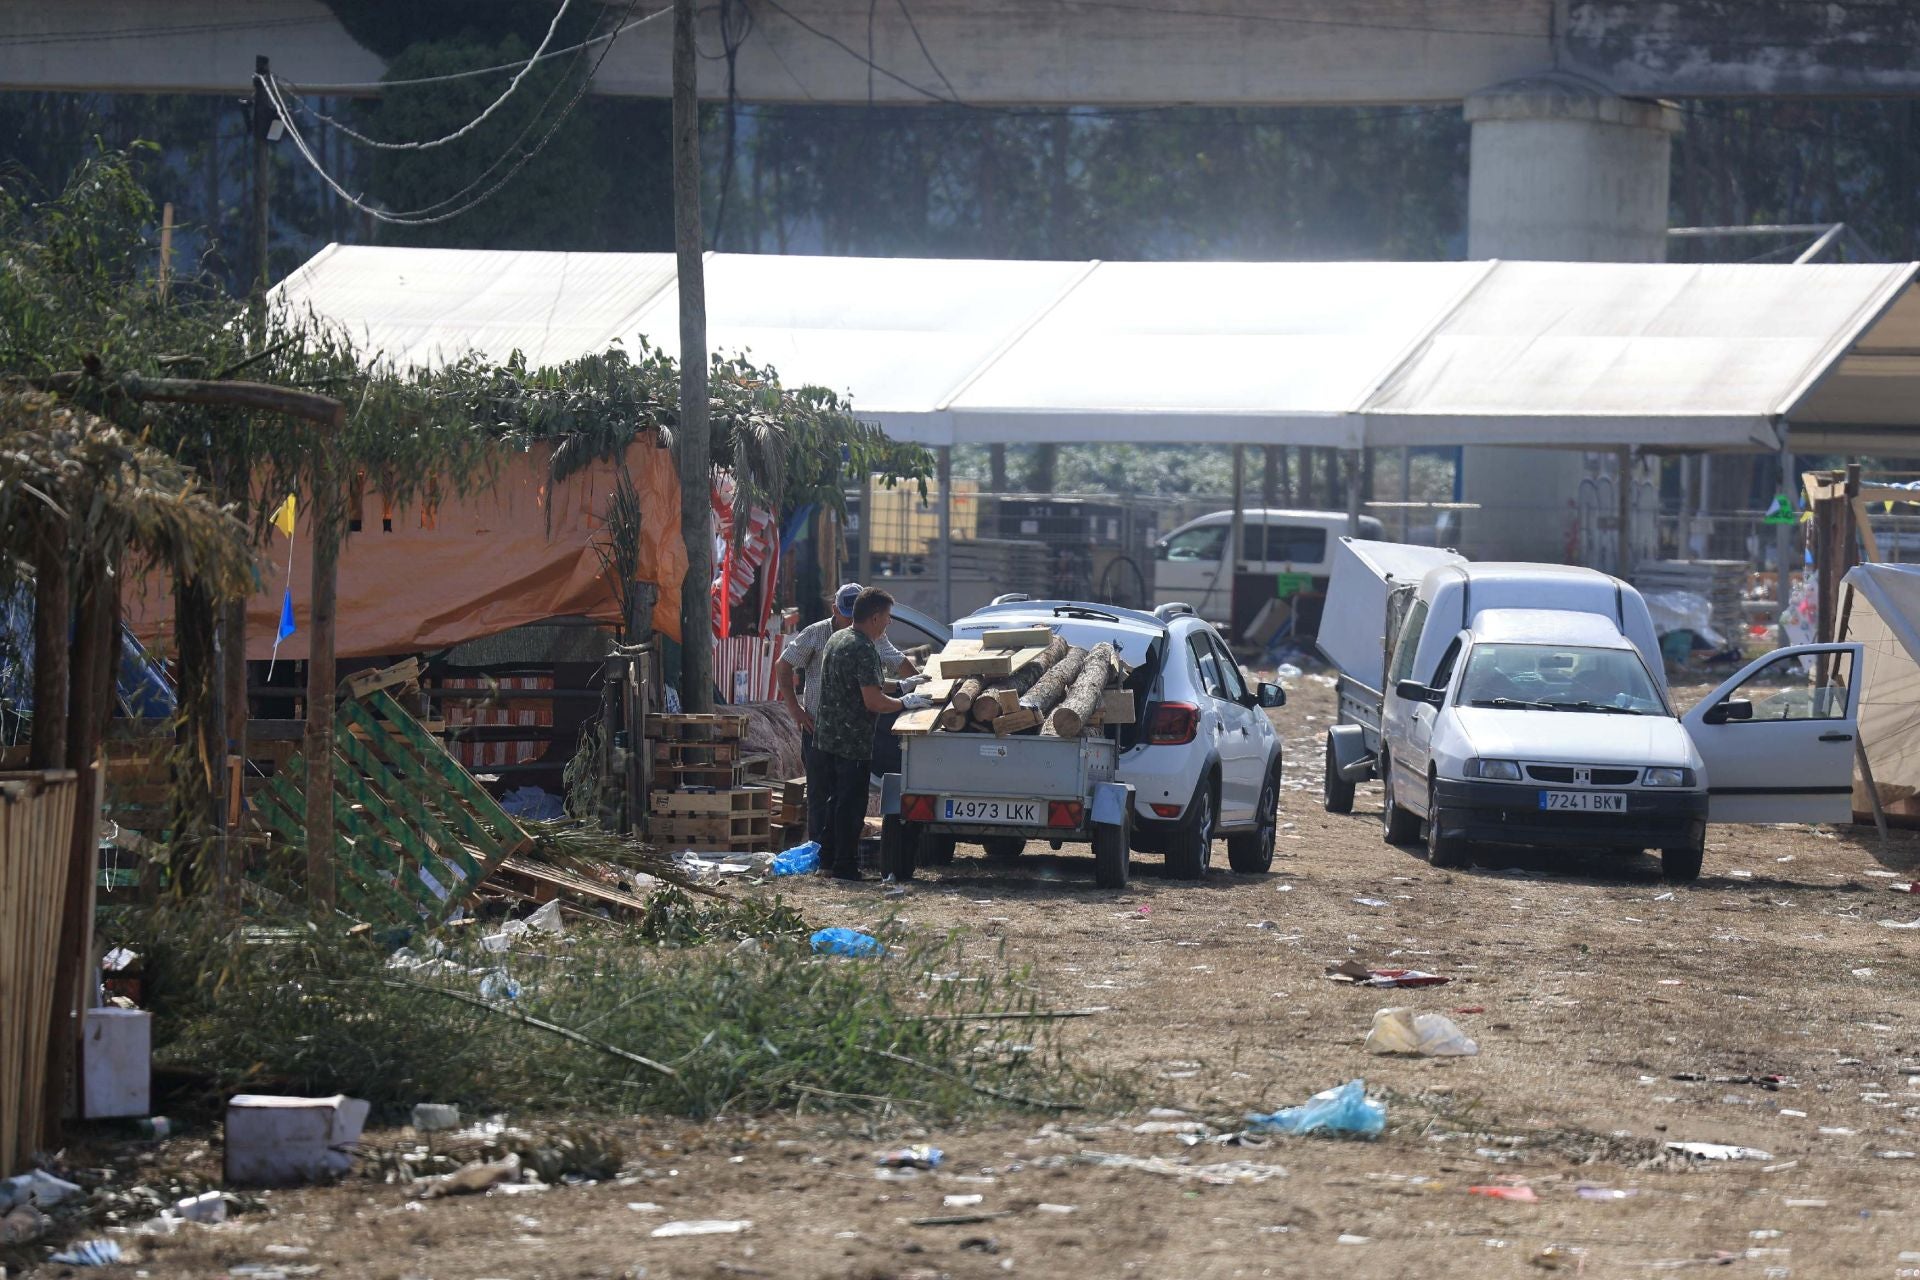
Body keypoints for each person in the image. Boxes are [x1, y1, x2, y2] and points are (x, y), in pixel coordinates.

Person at [776, 582, 918, 841]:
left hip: (852, 735)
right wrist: (795, 709)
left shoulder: (872, 637)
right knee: (821, 794)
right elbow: (783, 665)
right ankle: (822, 849)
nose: (851, 621)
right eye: (846, 615)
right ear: (835, 610)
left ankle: (838, 850)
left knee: (847, 797)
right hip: (818, 729)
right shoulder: (819, 634)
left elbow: (896, 664)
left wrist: (916, 684)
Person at [813, 587, 931, 880]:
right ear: (875, 617)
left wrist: (902, 685)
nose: (889, 622)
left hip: (827, 739)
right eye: (888, 617)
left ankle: (827, 862)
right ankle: (845, 867)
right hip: (852, 742)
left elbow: (866, 683)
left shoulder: (839, 639)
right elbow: (874, 701)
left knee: (834, 802)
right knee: (851, 807)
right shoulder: (864, 649)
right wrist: (904, 702)